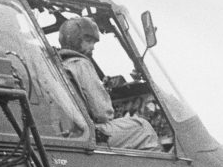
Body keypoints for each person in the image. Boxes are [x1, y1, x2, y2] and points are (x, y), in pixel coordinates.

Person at [57, 16, 161, 151]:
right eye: (88, 41)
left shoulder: (59, 65)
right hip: (84, 133)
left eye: (94, 42)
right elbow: (102, 113)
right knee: (144, 128)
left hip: (68, 131)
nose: (92, 47)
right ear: (75, 41)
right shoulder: (80, 63)